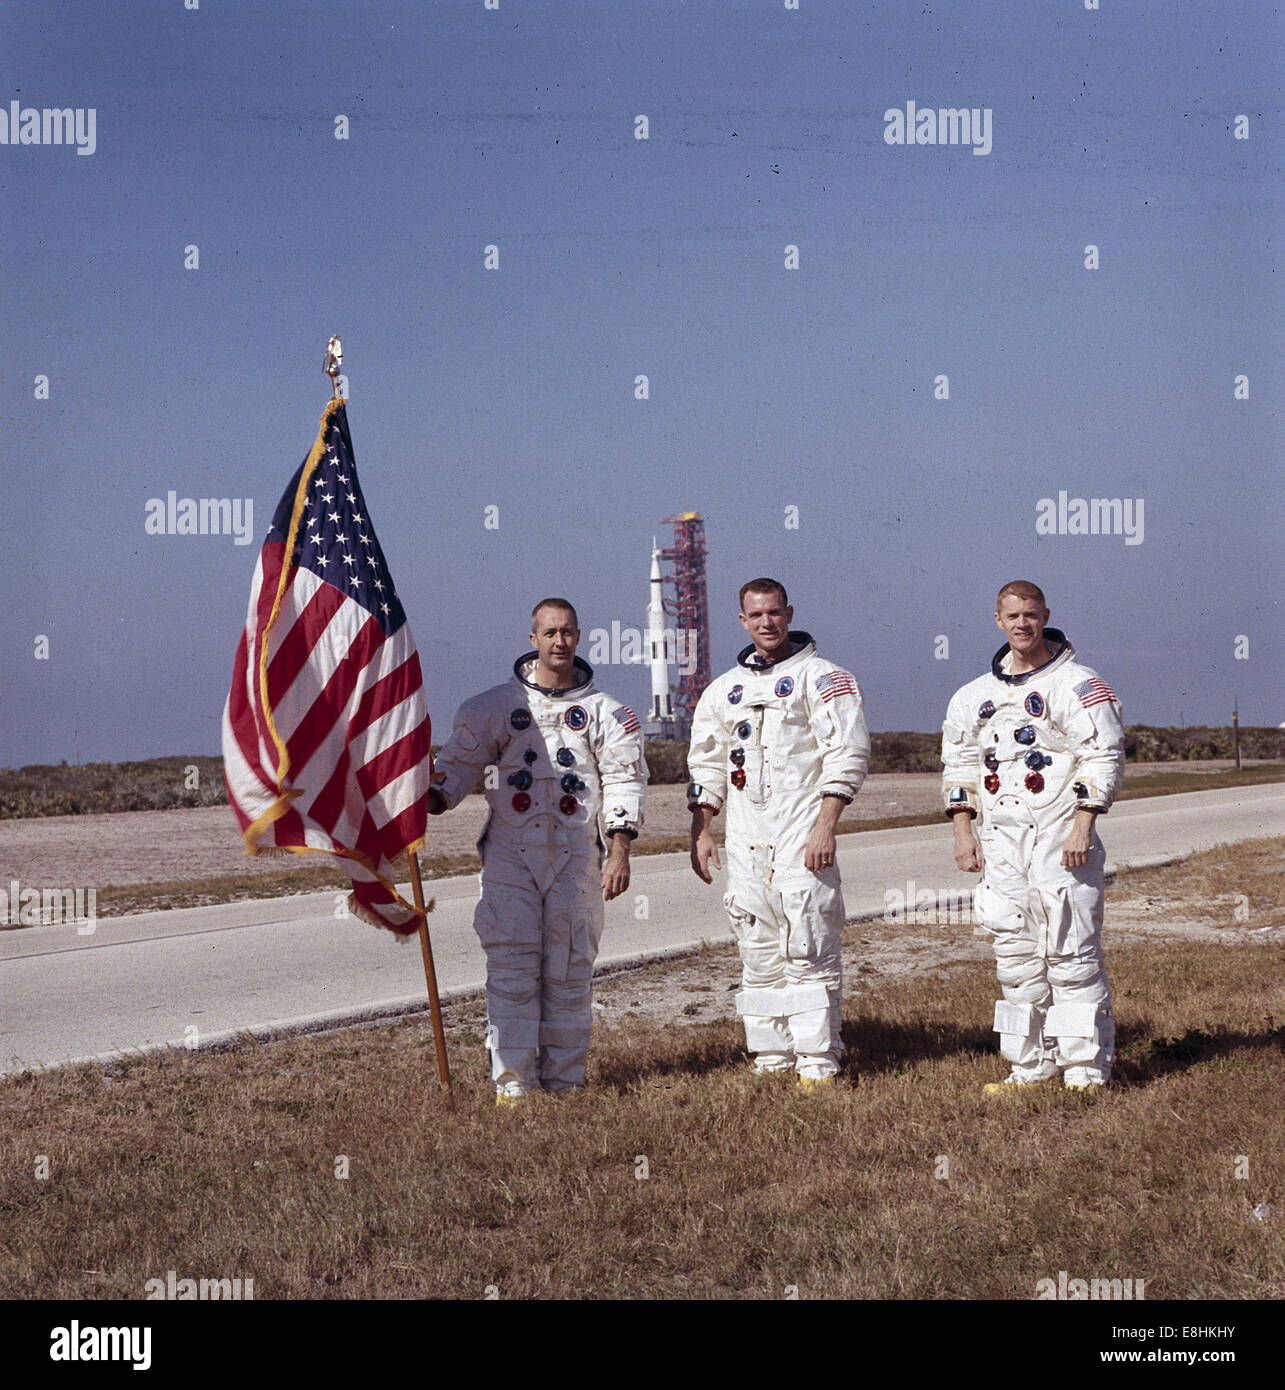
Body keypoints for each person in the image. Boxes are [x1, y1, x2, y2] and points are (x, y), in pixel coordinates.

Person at [428, 598, 647, 1104]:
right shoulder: (493, 707)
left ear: (578, 636)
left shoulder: (608, 713)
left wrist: (620, 848)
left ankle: (566, 1084)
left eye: (567, 632)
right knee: (512, 969)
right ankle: (515, 1088)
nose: (559, 642)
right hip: (511, 855)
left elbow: (624, 781)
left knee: (569, 972)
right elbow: (458, 766)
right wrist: (431, 794)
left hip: (576, 854)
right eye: (549, 632)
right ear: (533, 639)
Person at [941, 581, 1125, 1093]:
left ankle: (1085, 1071)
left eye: (1030, 614)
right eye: (1012, 616)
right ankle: (1029, 1066)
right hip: (1002, 841)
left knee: (1069, 953)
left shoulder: (1080, 685)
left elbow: (1103, 757)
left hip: (1061, 838)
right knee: (1016, 958)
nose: (1022, 624)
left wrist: (1082, 826)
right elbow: (958, 766)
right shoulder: (974, 697)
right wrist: (963, 831)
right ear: (997, 620)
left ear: (1045, 615)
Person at [688, 579, 870, 1088]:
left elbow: (847, 754)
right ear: (742, 620)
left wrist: (826, 827)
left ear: (789, 613)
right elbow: (706, 763)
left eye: (774, 612)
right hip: (747, 836)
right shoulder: (724, 690)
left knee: (808, 945)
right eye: (755, 615)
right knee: (758, 949)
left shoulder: (825, 678)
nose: (766, 622)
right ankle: (771, 1059)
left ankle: (817, 1063)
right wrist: (703, 831)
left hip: (802, 832)